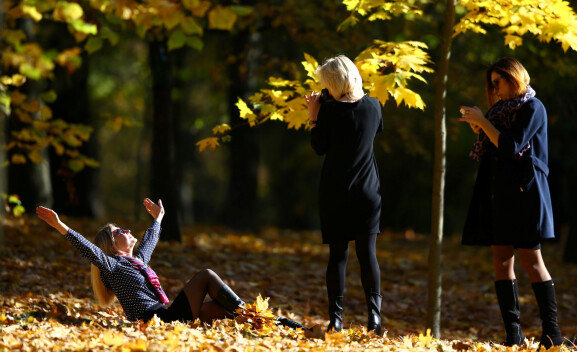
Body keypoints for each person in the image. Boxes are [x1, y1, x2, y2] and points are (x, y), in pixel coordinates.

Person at [36, 198, 309, 330]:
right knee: (205, 276)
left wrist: (159, 218)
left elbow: (149, 241)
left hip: (167, 314)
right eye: (118, 232)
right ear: (111, 246)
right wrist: (61, 226)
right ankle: (262, 317)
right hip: (158, 319)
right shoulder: (113, 266)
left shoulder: (137, 261)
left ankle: (282, 324)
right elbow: (89, 250)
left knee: (231, 313)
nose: (126, 230)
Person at [458, 57, 563, 349]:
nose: (494, 89)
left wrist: (483, 122)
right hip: (499, 194)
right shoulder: (497, 113)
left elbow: (510, 146)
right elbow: (496, 149)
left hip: (525, 193)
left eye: (498, 82)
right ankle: (513, 335)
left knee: (532, 260)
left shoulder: (532, 107)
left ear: (513, 77)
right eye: (491, 84)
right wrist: (481, 128)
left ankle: (552, 333)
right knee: (501, 260)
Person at [304, 55, 384, 335]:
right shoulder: (374, 106)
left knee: (338, 255)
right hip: (367, 190)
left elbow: (319, 147)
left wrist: (314, 117)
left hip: (335, 190)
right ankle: (374, 318)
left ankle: (336, 320)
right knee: (367, 255)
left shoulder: (328, 113)